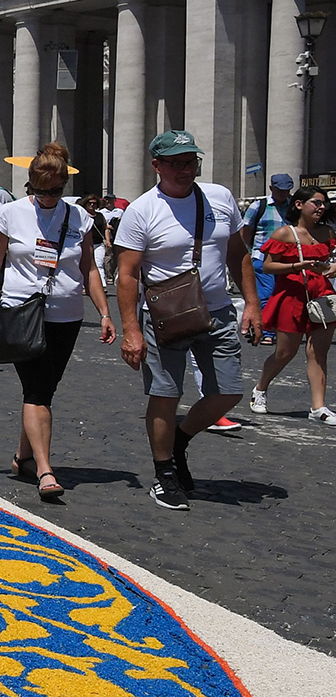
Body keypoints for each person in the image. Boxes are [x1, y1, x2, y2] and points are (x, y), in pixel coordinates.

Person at [114, 130, 261, 512]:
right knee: (166, 393)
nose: (185, 169)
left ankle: (179, 438)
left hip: (216, 312)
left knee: (228, 391)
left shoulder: (220, 197)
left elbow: (237, 253)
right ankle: (164, 473)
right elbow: (126, 274)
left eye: (191, 161)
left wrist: (252, 303)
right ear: (156, 166)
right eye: (176, 163)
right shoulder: (142, 210)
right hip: (164, 315)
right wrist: (131, 330)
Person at [0, 151, 115, 503]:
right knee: (37, 390)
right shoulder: (9, 214)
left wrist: (105, 313)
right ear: (30, 185)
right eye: (40, 191)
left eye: (55, 191)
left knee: (44, 391)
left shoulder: (78, 216)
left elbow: (89, 269)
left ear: (65, 186)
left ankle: (23, 457)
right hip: (22, 313)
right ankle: (45, 470)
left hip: (67, 315)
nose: (48, 198)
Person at [249, 184, 335, 424]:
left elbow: (333, 261)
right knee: (285, 352)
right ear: (299, 205)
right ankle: (260, 389)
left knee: (319, 353)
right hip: (292, 294)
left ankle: (318, 407)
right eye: (315, 203)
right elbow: (268, 266)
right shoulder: (285, 233)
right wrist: (299, 266)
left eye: (323, 203)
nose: (321, 207)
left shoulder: (328, 232)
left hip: (321, 295)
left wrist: (332, 268)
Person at [243, 171, 297, 344]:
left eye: (287, 190)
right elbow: (246, 230)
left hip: (288, 260)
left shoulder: (294, 207)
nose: (283, 193)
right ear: (271, 188)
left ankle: (282, 329)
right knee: (266, 294)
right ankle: (267, 332)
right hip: (261, 257)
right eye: (280, 190)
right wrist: (250, 251)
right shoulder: (259, 206)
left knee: (285, 295)